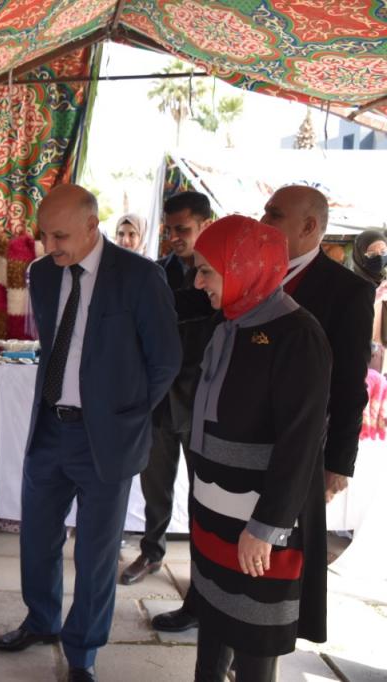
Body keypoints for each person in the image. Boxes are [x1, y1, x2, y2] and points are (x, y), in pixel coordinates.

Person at [0, 184, 180, 682]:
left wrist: (127, 415)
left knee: (96, 555)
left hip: (107, 439)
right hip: (51, 429)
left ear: (93, 225)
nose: (49, 246)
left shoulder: (139, 276)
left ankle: (83, 653)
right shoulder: (42, 274)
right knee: (37, 537)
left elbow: (165, 360)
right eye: (44, 235)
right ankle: (41, 620)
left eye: (60, 236)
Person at [188, 216, 331, 682]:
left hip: (257, 526)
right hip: (215, 516)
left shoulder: (297, 334)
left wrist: (266, 527)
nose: (198, 282)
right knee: (213, 627)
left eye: (206, 270)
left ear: (243, 266)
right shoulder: (229, 323)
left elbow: (301, 443)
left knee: (253, 641)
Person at [122, 192, 214, 587]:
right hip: (159, 398)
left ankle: (204, 568)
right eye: (169, 229)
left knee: (204, 492)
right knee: (154, 484)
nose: (174, 237)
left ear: (206, 225)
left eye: (183, 229)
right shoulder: (155, 273)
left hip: (203, 401)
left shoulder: (222, 276)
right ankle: (151, 552)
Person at [261, 185, 373, 510]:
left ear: (308, 226)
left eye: (274, 215)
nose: (262, 221)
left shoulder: (349, 292)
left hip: (300, 444)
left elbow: (349, 383)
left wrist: (338, 462)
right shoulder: (252, 275)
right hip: (240, 439)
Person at [347, 230, 387, 371]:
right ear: (359, 256)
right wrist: (374, 298)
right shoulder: (350, 283)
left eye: (383, 252)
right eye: (371, 254)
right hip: (359, 355)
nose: (379, 258)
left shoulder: (383, 280)